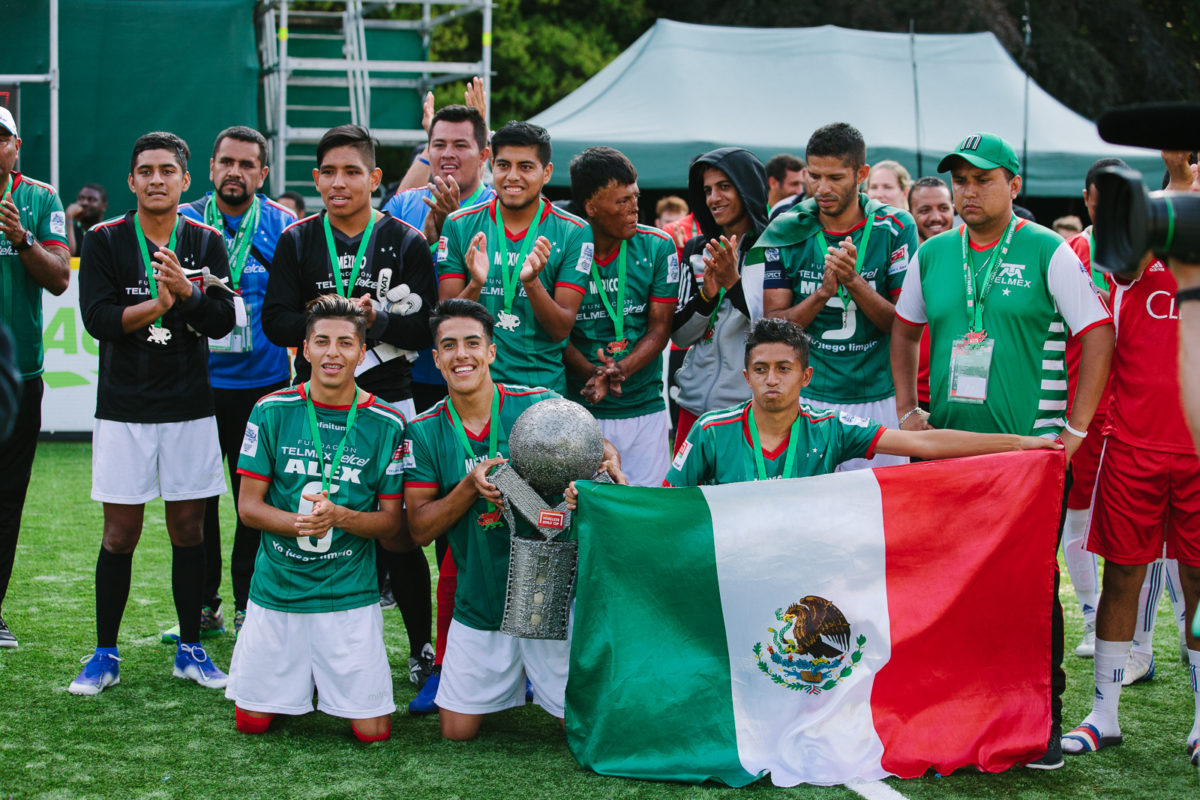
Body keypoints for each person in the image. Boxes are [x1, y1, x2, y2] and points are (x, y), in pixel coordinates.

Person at [890, 132, 1114, 769]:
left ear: (1014, 186)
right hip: (945, 454)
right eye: (959, 179)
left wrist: (1074, 431)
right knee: (943, 586)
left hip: (1027, 459)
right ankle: (954, 715)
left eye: (982, 179)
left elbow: (1097, 337)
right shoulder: (932, 254)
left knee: (1028, 591)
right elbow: (904, 333)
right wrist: (908, 410)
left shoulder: (1047, 249)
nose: (967, 191)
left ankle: (1040, 725)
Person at [262, 123, 439, 690]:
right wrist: (330, 317)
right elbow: (274, 320)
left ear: (375, 179)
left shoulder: (406, 241)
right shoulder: (297, 239)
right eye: (329, 173)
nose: (340, 183)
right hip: (311, 405)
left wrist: (377, 321)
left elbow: (427, 326)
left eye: (352, 172)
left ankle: (420, 649)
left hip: (389, 401)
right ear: (315, 179)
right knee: (306, 517)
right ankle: (289, 649)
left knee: (399, 533)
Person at [404, 298, 621, 741]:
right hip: (480, 599)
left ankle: (538, 677)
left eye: (472, 343)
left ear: (491, 352)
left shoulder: (537, 405)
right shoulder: (424, 430)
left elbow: (596, 452)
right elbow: (419, 529)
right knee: (455, 732)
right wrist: (467, 489)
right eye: (449, 346)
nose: (460, 354)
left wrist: (606, 459)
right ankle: (514, 679)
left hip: (546, 595)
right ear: (437, 359)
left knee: (580, 730)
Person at [72, 131, 236, 694]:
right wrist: (160, 305)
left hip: (189, 406)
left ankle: (191, 648)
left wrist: (187, 300)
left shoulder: (208, 240)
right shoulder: (104, 239)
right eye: (146, 171)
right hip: (124, 407)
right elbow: (97, 319)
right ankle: (104, 653)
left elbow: (222, 320)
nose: (157, 179)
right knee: (119, 534)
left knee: (189, 529)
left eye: (168, 170)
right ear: (131, 181)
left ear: (186, 180)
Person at [1061, 152, 1200, 766]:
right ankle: (1104, 716)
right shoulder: (1132, 236)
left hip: (1198, 448)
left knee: (1199, 581)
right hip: (1134, 444)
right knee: (1123, 572)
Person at [227, 294, 407, 742]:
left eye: (345, 343)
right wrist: (300, 524)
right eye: (321, 341)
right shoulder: (270, 410)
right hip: (278, 591)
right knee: (251, 724)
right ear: (303, 349)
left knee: (374, 732)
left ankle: (313, 677)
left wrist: (341, 517)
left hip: (347, 593)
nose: (333, 353)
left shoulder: (387, 422)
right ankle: (299, 679)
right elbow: (247, 508)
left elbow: (390, 525)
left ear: (362, 352)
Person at [661, 318, 1059, 487]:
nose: (771, 380)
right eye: (761, 369)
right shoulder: (712, 429)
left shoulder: (828, 425)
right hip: (734, 567)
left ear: (806, 376)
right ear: (746, 377)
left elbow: (923, 444)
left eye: (784, 368)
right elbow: (667, 503)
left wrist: (1018, 444)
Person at [169, 126, 295, 642]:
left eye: (247, 165)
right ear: (211, 167)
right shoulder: (185, 221)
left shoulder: (285, 225)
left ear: (263, 174)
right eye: (226, 162)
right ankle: (203, 604)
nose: (235, 173)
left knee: (253, 498)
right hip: (197, 382)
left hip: (262, 386)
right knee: (198, 499)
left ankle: (248, 602)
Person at [758, 122, 919, 470]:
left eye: (835, 177)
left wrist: (854, 281)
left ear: (861, 173)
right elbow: (773, 325)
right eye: (814, 176)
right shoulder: (787, 226)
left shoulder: (895, 226)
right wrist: (823, 294)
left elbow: (902, 324)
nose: (822, 188)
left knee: (882, 514)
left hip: (878, 397)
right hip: (810, 397)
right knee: (811, 516)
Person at [436, 121, 591, 394]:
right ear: (491, 166)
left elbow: (561, 330)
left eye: (526, 167)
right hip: (475, 393)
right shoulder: (459, 224)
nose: (512, 176)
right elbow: (444, 321)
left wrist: (531, 283)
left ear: (547, 173)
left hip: (542, 394)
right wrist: (475, 283)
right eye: (504, 165)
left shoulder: (573, 232)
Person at [0, 106, 71, 649]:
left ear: (15, 147)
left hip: (18, 373)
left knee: (7, 495)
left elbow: (59, 281)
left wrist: (22, 239)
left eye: (0, 138)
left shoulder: (40, 198)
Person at [565, 147, 678, 486]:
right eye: (622, 202)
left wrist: (618, 370)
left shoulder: (658, 246)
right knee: (585, 514)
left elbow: (661, 329)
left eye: (635, 198)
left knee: (647, 514)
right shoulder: (566, 246)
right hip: (581, 408)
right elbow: (555, 331)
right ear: (591, 207)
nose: (634, 209)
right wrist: (590, 373)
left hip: (643, 408)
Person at [384, 103, 496, 415]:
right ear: (428, 151)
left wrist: (454, 233)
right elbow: (379, 281)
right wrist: (427, 240)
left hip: (476, 371)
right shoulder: (403, 205)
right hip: (409, 369)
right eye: (439, 145)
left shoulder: (497, 209)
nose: (448, 154)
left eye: (461, 145)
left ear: (484, 156)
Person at [671, 148, 769, 450]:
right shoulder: (697, 249)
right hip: (693, 407)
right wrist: (708, 296)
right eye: (707, 190)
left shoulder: (774, 249)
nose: (714, 198)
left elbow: (776, 331)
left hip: (749, 412)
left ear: (747, 187)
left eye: (724, 187)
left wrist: (733, 283)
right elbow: (680, 335)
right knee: (685, 497)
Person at [907, 176, 954, 244]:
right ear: (910, 216)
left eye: (943, 208)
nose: (936, 218)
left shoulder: (968, 251)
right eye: (925, 210)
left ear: (953, 210)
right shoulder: (902, 253)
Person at [64, 183, 107, 256]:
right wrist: (68, 217)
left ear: (104, 206)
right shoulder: (70, 230)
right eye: (81, 198)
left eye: (91, 199)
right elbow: (66, 256)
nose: (84, 203)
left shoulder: (108, 233)